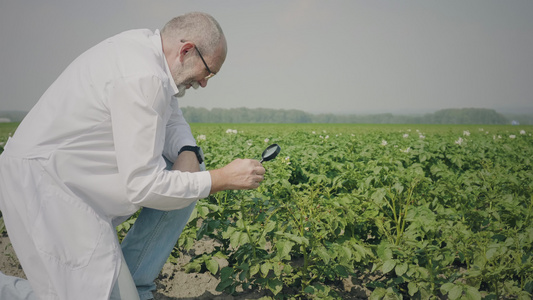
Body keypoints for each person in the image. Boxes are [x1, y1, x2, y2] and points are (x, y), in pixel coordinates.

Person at [0, 12, 265, 300]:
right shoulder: (143, 77)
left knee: (187, 167)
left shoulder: (149, 55)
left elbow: (171, 114)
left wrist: (189, 152)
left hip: (68, 181)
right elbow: (142, 186)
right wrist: (220, 178)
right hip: (47, 190)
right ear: (187, 50)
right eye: (208, 71)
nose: (204, 83)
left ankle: (136, 286)